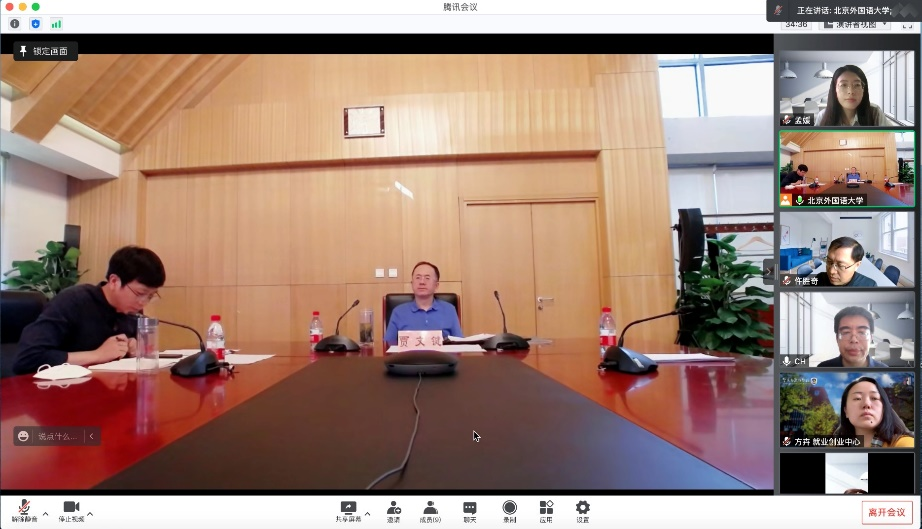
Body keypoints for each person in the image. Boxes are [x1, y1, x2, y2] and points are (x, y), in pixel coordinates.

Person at [13, 246, 166, 375]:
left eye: (150, 296)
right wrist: (97, 355)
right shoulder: (73, 301)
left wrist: (133, 349)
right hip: (60, 393)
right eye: (140, 293)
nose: (143, 302)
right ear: (114, 281)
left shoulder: (131, 311)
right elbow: (27, 359)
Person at [384, 261, 462, 344]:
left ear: (436, 285)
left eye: (427, 278)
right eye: (418, 278)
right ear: (412, 284)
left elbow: (459, 343)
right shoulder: (399, 312)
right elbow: (389, 345)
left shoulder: (449, 310)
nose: (422, 282)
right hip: (408, 353)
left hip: (441, 353)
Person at [833, 376, 914, 447]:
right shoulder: (834, 447)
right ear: (846, 411)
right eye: (857, 398)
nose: (866, 404)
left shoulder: (904, 444)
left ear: (884, 408)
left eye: (874, 398)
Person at [816, 65, 888, 127]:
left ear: (863, 89)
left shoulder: (875, 113)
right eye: (843, 85)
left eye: (857, 85)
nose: (851, 92)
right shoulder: (823, 116)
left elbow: (889, 137)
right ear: (835, 89)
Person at [816, 306, 887, 368]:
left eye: (862, 332)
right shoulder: (823, 369)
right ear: (837, 338)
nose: (854, 340)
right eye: (846, 332)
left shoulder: (885, 372)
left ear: (871, 338)